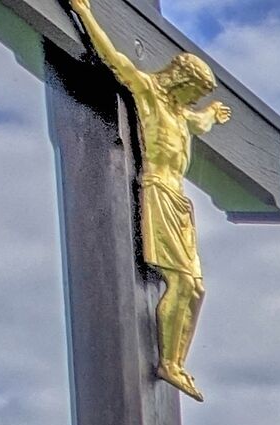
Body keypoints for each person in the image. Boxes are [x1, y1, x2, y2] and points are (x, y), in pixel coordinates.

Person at [66, 0, 231, 398]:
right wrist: (84, 12)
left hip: (180, 201)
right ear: (179, 78)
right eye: (193, 91)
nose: (192, 100)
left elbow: (201, 124)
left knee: (195, 289)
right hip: (156, 189)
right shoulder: (149, 93)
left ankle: (175, 361)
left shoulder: (181, 112)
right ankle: (169, 364)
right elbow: (112, 57)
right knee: (180, 282)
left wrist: (211, 113)